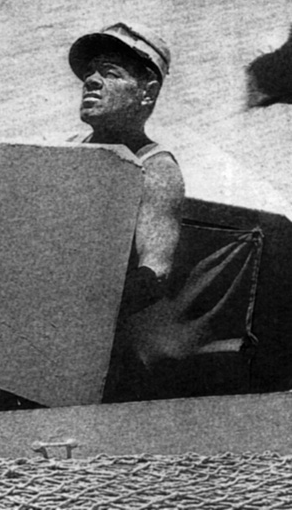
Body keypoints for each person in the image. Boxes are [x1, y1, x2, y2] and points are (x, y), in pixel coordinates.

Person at [67, 22, 186, 400]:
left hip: (96, 341)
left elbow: (156, 271)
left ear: (147, 92)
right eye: (90, 72)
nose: (92, 80)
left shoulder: (156, 168)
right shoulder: (64, 151)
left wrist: (76, 303)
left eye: (111, 73)